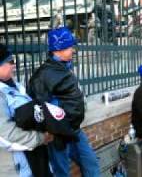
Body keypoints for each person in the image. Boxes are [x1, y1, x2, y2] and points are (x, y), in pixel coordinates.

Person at [27, 27, 100, 177]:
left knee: (90, 162)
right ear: (58, 49)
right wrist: (52, 130)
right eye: (69, 47)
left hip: (74, 130)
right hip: (58, 135)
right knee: (62, 172)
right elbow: (39, 107)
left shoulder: (65, 67)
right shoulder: (43, 75)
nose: (73, 50)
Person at [0, 44, 53, 177]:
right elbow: (5, 135)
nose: (14, 65)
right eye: (10, 61)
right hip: (19, 168)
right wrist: (41, 138)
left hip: (36, 160)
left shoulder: (15, 85)